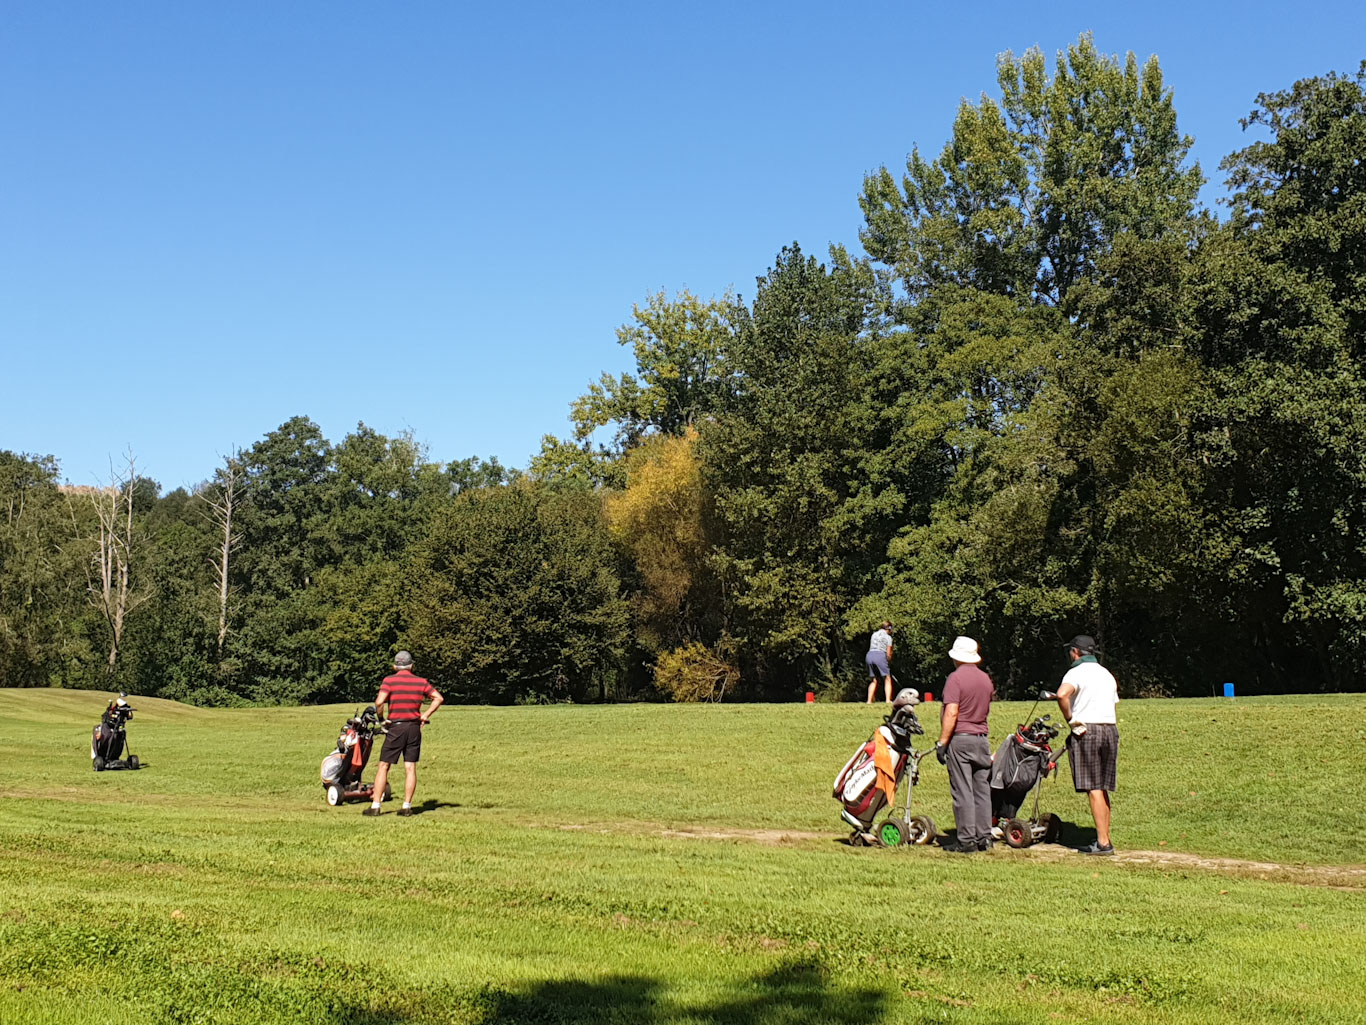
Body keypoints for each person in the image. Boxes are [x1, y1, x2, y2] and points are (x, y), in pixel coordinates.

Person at [1049, 634, 1119, 855]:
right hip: (1110, 729)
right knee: (1103, 786)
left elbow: (1062, 694)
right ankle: (1105, 837)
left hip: (1087, 730)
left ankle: (1103, 843)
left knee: (1093, 786)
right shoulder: (1106, 674)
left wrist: (1070, 719)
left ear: (1075, 652)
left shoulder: (1076, 672)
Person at [364, 650, 444, 818]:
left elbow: (379, 701)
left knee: (384, 766)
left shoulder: (389, 681)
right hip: (414, 728)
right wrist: (425, 716)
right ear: (411, 666)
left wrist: (381, 718)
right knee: (410, 767)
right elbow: (438, 698)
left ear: (395, 666)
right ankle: (407, 806)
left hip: (396, 727)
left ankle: (375, 805)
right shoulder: (421, 682)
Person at [934, 636, 995, 853]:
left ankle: (966, 839)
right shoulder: (986, 679)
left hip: (961, 738)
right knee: (982, 790)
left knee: (963, 790)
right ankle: (984, 836)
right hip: (982, 739)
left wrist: (942, 742)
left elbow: (952, 711)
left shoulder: (955, 679)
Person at [866, 622, 895, 703]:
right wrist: (889, 661)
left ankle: (869, 701)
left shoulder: (874, 634)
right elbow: (888, 653)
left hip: (869, 655)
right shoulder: (888, 637)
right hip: (880, 655)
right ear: (888, 629)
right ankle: (888, 700)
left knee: (873, 679)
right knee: (887, 678)